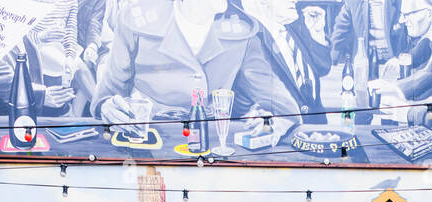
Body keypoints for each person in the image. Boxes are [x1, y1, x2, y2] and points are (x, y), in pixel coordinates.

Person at [92, 0, 302, 127]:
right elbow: (107, 94)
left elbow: (283, 107)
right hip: (147, 148)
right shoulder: (136, 21)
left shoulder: (243, 32)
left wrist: (271, 120)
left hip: (213, 156)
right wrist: (107, 107)